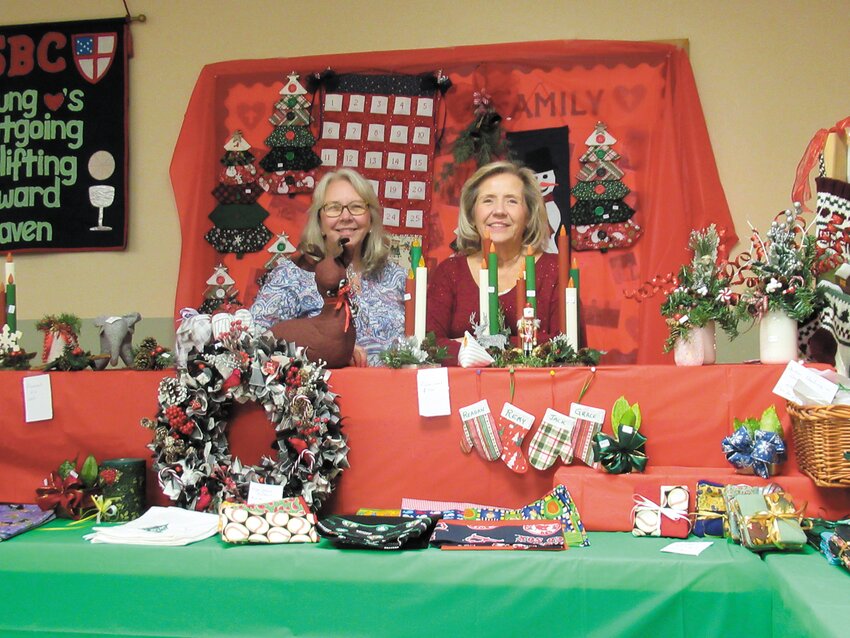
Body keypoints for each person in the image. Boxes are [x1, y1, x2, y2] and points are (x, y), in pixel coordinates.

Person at [251, 169, 406, 366]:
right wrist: (331, 352)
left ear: (370, 219)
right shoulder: (291, 275)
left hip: (391, 392)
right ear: (320, 220)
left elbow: (419, 343)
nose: (346, 216)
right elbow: (255, 340)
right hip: (325, 393)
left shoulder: (396, 276)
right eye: (334, 208)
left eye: (357, 207)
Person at [426, 160, 560, 365]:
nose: (499, 211)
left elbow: (564, 345)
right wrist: (524, 345)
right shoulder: (450, 272)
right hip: (464, 394)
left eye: (512, 201)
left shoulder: (554, 269)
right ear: (472, 214)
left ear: (529, 214)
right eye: (488, 200)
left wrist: (471, 347)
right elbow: (430, 345)